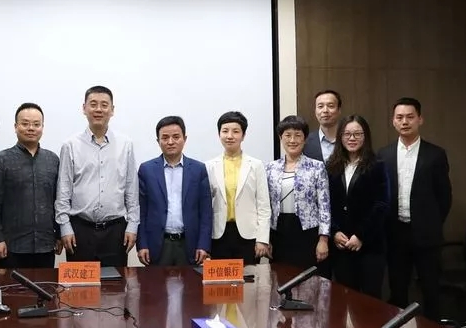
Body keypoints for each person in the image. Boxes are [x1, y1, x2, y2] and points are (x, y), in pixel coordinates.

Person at [378, 97, 452, 320]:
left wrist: (431, 222)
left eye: (410, 117)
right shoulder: (384, 154)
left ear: (420, 119)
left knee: (431, 290)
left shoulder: (435, 154)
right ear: (393, 121)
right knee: (397, 290)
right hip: (395, 232)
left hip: (426, 234)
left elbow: (444, 197)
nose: (405, 122)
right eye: (399, 117)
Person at [55, 86, 139, 268]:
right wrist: (64, 226)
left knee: (115, 283)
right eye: (93, 104)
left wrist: (133, 225)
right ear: (84, 108)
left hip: (115, 231)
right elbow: (63, 190)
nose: (99, 109)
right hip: (79, 230)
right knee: (80, 283)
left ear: (112, 110)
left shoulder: (125, 145)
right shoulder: (70, 145)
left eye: (104, 105)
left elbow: (131, 189)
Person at [0, 103, 62, 268]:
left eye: (36, 124)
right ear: (16, 126)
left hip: (45, 244)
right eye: (25, 123)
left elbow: (58, 200)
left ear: (42, 127)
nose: (31, 128)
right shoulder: (2, 160)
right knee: (11, 286)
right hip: (11, 246)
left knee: (45, 284)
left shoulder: (53, 160)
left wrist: (59, 234)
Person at [325, 115, 389, 297]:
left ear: (365, 136)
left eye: (357, 134)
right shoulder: (331, 166)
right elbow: (326, 203)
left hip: (369, 245)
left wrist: (361, 235)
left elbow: (381, 205)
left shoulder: (377, 166)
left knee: (370, 299)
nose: (352, 138)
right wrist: (334, 232)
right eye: (347, 134)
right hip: (341, 244)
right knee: (345, 297)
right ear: (340, 137)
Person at [136, 116, 212, 266]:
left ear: (185, 138)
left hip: (189, 244)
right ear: (158, 141)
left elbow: (206, 212)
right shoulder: (146, 170)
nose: (170, 142)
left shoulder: (198, 169)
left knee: (191, 282)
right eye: (165, 138)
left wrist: (204, 245)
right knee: (155, 282)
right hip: (157, 244)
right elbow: (141, 211)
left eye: (176, 137)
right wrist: (142, 244)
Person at [266, 115, 331, 277]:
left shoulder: (316, 167)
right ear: (281, 138)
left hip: (307, 233)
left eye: (297, 135)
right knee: (280, 277)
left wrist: (323, 240)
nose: (292, 140)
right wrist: (266, 239)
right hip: (278, 232)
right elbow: (265, 206)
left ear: (305, 139)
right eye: (287, 135)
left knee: (307, 280)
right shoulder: (270, 168)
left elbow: (324, 206)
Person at [207, 111, 271, 265]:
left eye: (235, 131)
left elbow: (263, 205)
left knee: (248, 277)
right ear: (219, 134)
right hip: (219, 234)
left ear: (243, 135)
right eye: (225, 131)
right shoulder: (209, 166)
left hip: (248, 235)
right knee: (222, 277)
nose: (230, 136)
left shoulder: (256, 165)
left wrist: (262, 239)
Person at [303, 90, 343, 162]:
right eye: (320, 106)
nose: (325, 110)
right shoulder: (305, 142)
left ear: (339, 110)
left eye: (331, 106)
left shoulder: (349, 139)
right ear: (315, 111)